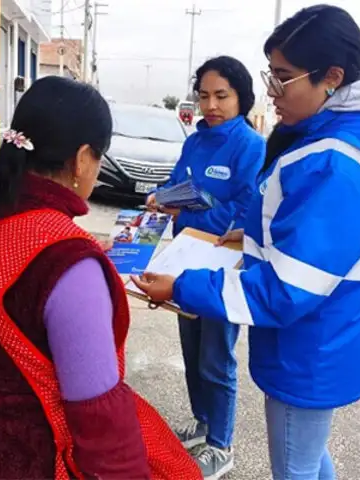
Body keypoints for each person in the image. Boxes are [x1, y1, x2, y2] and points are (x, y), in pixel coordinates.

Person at [133, 5, 360, 480]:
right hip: (337, 326)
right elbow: (323, 230)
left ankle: (218, 440)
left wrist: (181, 287)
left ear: (332, 77)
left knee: (294, 467)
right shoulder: (355, 129)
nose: (274, 91)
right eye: (272, 75)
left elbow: (285, 289)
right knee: (307, 457)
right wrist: (253, 230)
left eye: (283, 78)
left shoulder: (335, 161)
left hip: (314, 342)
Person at [0, 76, 201, 480]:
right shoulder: (65, 260)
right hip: (31, 460)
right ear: (83, 158)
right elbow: (101, 425)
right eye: (100, 159)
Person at [146, 56, 266, 478]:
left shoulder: (251, 147)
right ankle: (202, 423)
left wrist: (193, 212)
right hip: (184, 261)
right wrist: (162, 197)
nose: (211, 105)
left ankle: (222, 444)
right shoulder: (195, 141)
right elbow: (179, 184)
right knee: (192, 347)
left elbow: (246, 211)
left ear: (241, 98)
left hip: (221, 265)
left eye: (222, 96)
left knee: (217, 357)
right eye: (204, 96)